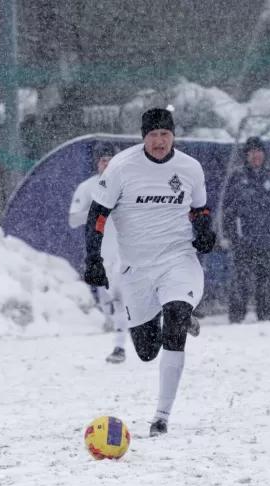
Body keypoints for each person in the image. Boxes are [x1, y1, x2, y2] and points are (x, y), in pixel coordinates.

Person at [83, 108, 214, 436]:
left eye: (165, 135)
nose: (159, 141)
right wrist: (93, 259)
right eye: (153, 135)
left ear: (174, 137)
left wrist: (204, 231)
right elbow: (97, 214)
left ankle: (161, 417)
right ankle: (179, 316)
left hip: (178, 261)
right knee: (145, 351)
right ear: (143, 137)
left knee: (174, 323)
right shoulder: (122, 168)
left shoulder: (189, 168)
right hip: (135, 269)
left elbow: (200, 209)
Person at [220, 137, 270, 323]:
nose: (256, 156)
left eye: (259, 152)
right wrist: (226, 234)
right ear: (246, 155)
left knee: (266, 279)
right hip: (242, 238)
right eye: (252, 152)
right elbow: (227, 208)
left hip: (266, 238)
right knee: (240, 280)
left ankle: (266, 314)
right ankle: (236, 316)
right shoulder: (237, 177)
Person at [68, 142, 129, 363]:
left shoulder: (126, 186)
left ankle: (119, 347)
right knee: (107, 298)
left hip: (124, 252)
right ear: (97, 163)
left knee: (121, 296)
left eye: (110, 159)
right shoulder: (87, 188)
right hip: (100, 253)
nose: (107, 163)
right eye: (103, 159)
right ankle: (112, 320)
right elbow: (73, 219)